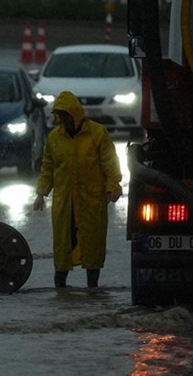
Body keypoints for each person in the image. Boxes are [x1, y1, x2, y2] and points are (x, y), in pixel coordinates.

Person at [33, 91, 123, 288]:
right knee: (63, 246)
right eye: (60, 116)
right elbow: (48, 167)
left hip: (91, 201)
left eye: (66, 115)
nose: (64, 120)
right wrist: (41, 193)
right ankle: (61, 290)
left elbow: (110, 164)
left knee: (92, 244)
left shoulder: (97, 134)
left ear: (75, 113)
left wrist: (113, 187)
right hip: (65, 203)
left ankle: (93, 289)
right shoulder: (55, 138)